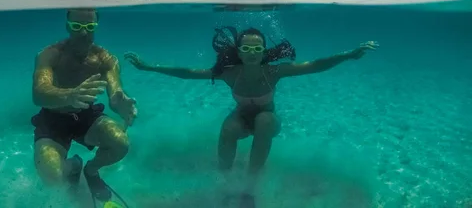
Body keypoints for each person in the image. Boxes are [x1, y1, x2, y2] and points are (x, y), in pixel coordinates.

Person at [124, 26, 378, 206]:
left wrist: (347, 55)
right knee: (228, 129)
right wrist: (148, 67)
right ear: (240, 52)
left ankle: (249, 186)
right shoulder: (230, 73)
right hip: (242, 120)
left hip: (268, 121)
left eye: (258, 47)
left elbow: (315, 65)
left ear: (264, 50)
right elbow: (188, 73)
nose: (253, 52)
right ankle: (226, 182)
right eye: (247, 48)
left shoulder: (275, 71)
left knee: (264, 120)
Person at [31, 8, 138, 204]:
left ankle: (91, 170)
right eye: (77, 26)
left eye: (89, 27)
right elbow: (39, 92)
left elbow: (115, 92)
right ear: (67, 27)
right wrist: (68, 96)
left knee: (120, 143)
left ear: (96, 26)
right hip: (53, 119)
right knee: (52, 177)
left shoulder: (106, 59)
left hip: (86, 116)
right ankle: (74, 167)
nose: (83, 32)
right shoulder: (49, 55)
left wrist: (120, 103)